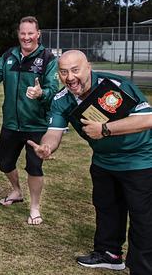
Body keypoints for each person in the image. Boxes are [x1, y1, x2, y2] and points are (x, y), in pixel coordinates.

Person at [28, 50, 152, 274]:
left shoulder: (113, 85)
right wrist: (46, 147)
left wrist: (105, 129)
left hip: (140, 160)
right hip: (104, 162)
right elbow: (53, 132)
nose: (70, 77)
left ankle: (143, 268)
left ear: (88, 68)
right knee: (106, 208)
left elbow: (148, 119)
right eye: (64, 72)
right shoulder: (62, 99)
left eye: (75, 70)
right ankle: (109, 254)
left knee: (143, 218)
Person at [0, 16, 58, 225]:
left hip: (36, 125)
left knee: (34, 167)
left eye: (31, 33)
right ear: (18, 34)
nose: (26, 37)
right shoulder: (9, 55)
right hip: (11, 124)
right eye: (23, 33)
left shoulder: (48, 58)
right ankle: (16, 191)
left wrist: (41, 93)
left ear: (38, 34)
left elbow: (54, 89)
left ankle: (35, 208)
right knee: (4, 163)